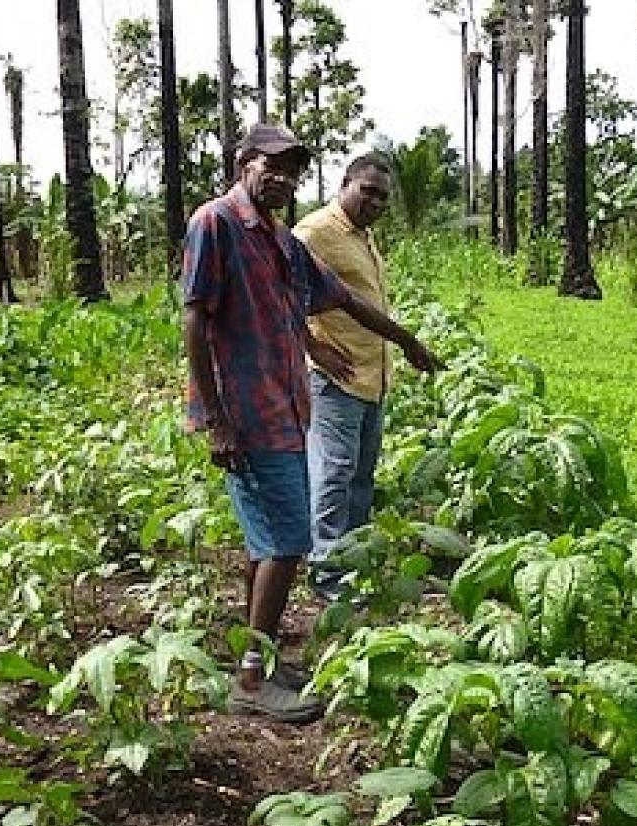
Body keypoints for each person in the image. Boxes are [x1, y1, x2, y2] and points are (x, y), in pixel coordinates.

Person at [181, 122, 444, 724]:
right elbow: (195, 320)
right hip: (245, 412)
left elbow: (344, 301)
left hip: (286, 405)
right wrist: (213, 416)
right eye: (272, 164)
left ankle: (261, 656)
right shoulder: (216, 224)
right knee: (290, 540)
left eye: (294, 168)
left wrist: (407, 342)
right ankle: (251, 681)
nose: (283, 177)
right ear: (244, 162)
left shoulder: (279, 240)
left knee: (265, 541)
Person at [294, 153, 422, 601]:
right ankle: (328, 575)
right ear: (344, 184)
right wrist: (312, 347)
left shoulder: (363, 237)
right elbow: (280, 296)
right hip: (336, 379)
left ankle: (352, 565)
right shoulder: (314, 233)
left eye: (383, 197)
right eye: (366, 190)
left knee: (361, 478)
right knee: (333, 474)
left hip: (371, 377)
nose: (375, 202)